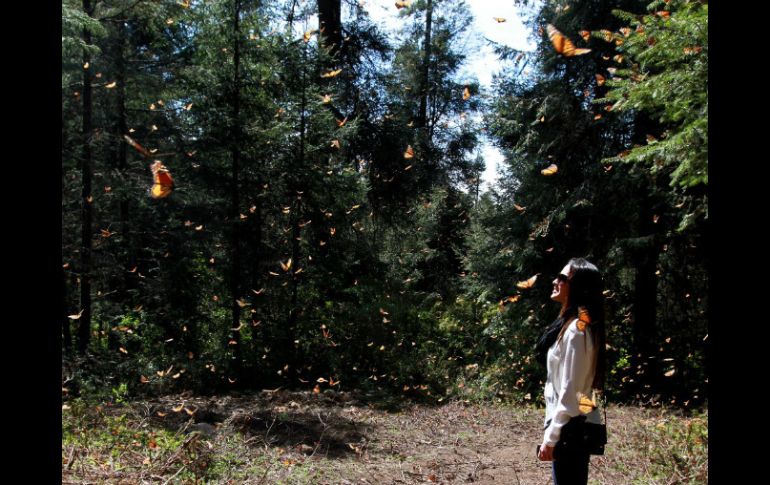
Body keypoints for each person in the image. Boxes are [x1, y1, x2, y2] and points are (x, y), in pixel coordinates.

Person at [535, 258, 606, 485]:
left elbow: (571, 390)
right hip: (572, 427)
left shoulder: (576, 330)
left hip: (570, 429)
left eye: (563, 278)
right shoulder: (571, 326)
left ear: (577, 287)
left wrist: (552, 436)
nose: (556, 281)